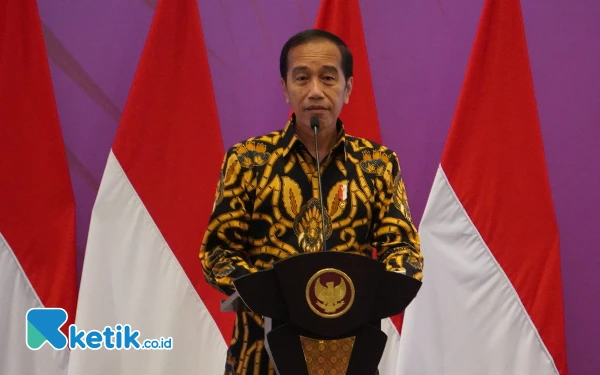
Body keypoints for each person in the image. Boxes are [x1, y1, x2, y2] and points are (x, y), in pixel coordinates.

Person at [199, 29, 423, 375]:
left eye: (328, 78)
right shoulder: (248, 160)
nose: (315, 91)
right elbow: (217, 254)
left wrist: (371, 293)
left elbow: (403, 250)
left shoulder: (377, 165)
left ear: (347, 88)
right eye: (302, 78)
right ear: (285, 89)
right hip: (261, 355)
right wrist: (277, 294)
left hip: (349, 355)